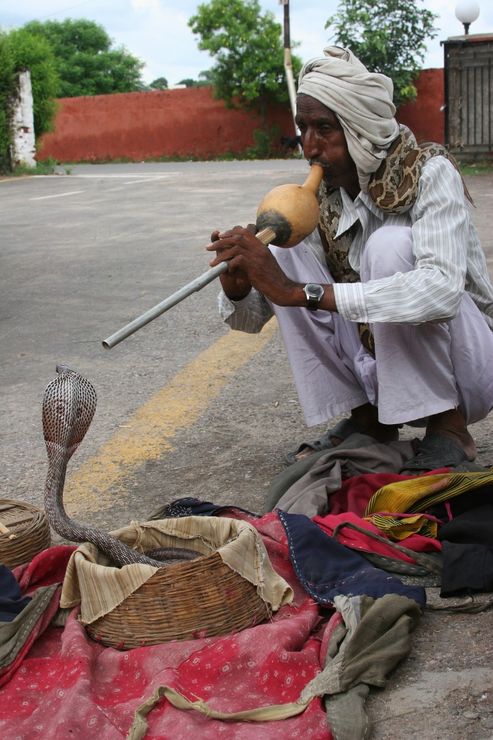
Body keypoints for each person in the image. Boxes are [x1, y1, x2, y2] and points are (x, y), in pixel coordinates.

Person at [206, 46, 493, 473]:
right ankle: (368, 420)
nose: (309, 147)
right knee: (290, 248)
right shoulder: (316, 201)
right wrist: (243, 285)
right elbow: (252, 319)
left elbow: (440, 292)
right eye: (302, 127)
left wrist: (299, 292)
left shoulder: (431, 172)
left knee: (389, 246)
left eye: (324, 128)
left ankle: (448, 427)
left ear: (359, 129)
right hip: (380, 368)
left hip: (466, 362)